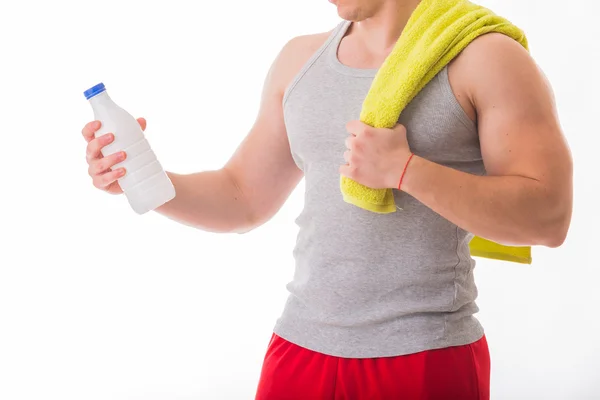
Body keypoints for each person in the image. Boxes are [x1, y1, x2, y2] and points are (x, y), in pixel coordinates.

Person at [81, 0, 573, 398]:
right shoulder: (299, 61)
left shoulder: (486, 57)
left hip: (424, 357)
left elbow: (548, 216)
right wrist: (145, 179)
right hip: (299, 348)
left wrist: (406, 170)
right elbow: (242, 197)